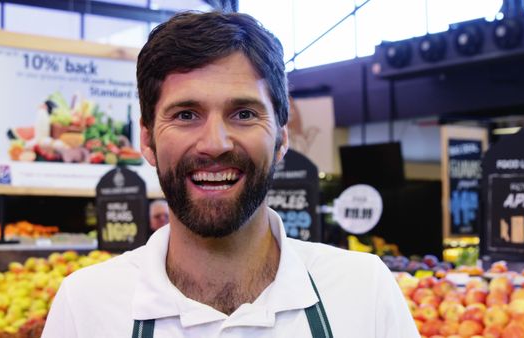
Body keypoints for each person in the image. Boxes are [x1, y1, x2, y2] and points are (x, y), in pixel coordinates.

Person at [43, 11, 419, 338]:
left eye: (244, 113)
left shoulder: (363, 289)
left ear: (281, 137)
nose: (215, 143)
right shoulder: (86, 304)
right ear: (146, 139)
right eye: (186, 114)